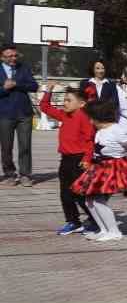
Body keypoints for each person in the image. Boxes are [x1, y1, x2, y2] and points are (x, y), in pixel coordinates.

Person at [71, 96, 127, 242]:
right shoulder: (100, 131)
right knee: (89, 201)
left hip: (113, 169)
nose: (89, 121)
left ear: (96, 118)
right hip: (98, 168)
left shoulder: (117, 130)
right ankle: (104, 229)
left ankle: (114, 232)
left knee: (98, 200)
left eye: (90, 118)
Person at [38, 86, 96, 234]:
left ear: (81, 104)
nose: (65, 103)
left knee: (80, 194)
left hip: (79, 161)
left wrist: (87, 159)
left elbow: (90, 141)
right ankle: (73, 221)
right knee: (65, 194)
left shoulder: (83, 117)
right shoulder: (64, 115)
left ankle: (96, 219)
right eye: (64, 100)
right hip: (65, 160)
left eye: (69, 100)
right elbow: (45, 107)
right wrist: (48, 92)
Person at [0, 45, 39, 187]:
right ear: (2, 57)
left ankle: (25, 175)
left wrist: (17, 84)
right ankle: (10, 174)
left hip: (24, 114)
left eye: (15, 55)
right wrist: (4, 88)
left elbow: (34, 86)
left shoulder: (24, 68)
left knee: (25, 146)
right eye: (9, 56)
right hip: (4, 114)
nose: (13, 58)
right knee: (6, 147)